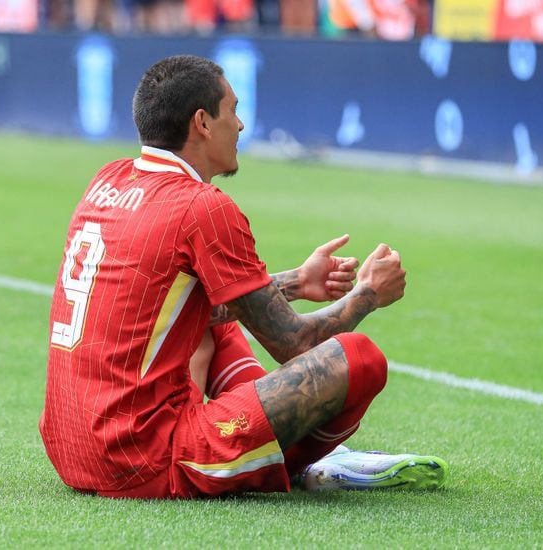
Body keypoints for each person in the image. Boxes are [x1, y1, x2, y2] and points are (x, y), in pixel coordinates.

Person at [39, 55, 448, 499]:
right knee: (360, 358)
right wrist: (368, 294)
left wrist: (296, 282)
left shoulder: (109, 179)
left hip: (71, 448)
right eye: (232, 110)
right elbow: (295, 345)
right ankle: (307, 459)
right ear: (202, 123)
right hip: (141, 459)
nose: (240, 124)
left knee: (208, 314)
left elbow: (174, 307)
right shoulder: (202, 206)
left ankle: (267, 439)